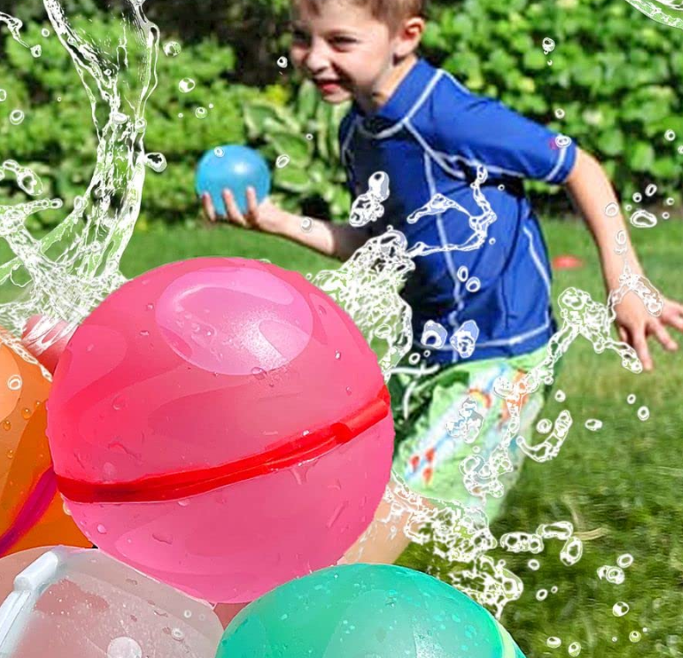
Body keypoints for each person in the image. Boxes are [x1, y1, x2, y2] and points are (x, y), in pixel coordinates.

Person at [201, 0, 683, 570]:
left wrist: (624, 279)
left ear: (405, 37)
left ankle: (306, 622)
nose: (315, 59)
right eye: (303, 39)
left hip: (502, 355)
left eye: (341, 42)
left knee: (405, 497)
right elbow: (381, 246)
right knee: (374, 479)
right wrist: (276, 222)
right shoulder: (360, 129)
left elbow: (579, 166)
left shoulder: (447, 116)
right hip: (435, 345)